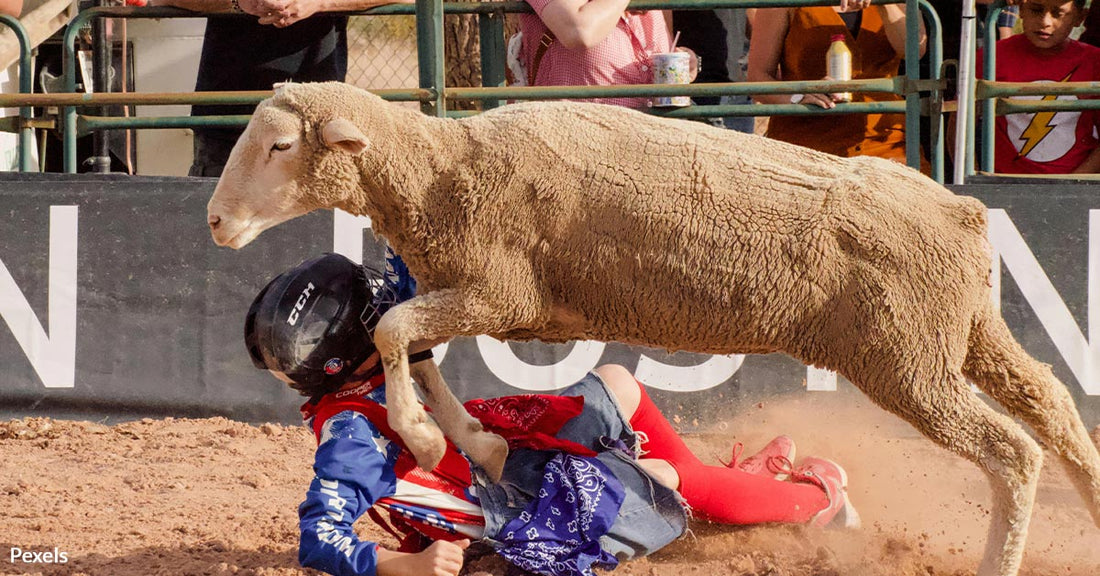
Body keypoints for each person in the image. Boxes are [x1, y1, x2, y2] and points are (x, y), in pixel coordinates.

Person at [245, 252, 859, 576]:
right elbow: (318, 539)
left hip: (498, 462)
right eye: (374, 307)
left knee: (617, 383)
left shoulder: (366, 372)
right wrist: (406, 565)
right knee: (667, 481)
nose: (391, 304)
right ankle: (816, 499)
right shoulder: (349, 434)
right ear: (356, 348)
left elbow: (410, 265)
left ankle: (739, 486)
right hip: (526, 511)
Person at [150, 0, 411, 177]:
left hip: (316, 124)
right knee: (220, 234)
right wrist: (239, 3)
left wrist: (319, 3)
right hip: (229, 123)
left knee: (315, 241)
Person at [746, 0, 927, 168]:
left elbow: (915, 51)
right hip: (805, 147)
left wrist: (885, 5)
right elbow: (757, 76)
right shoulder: (782, 5)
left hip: (885, 142)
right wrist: (797, 97)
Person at [977, 0, 1100, 174]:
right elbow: (960, 127)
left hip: (1076, 187)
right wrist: (977, 179)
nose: (1045, 22)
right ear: (1020, 10)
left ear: (1080, 17)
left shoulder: (1094, 61)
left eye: (1058, 14)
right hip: (1003, 185)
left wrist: (1074, 182)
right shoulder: (991, 56)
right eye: (1036, 10)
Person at [514, 0, 696, 109]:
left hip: (653, 136)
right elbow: (579, 31)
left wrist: (687, 61)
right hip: (579, 141)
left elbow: (666, 50)